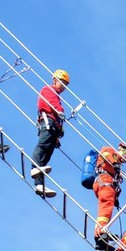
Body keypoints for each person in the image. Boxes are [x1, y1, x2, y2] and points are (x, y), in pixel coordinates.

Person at [30, 69, 70, 199]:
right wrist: (59, 110)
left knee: (46, 156)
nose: (63, 86)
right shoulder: (48, 90)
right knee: (42, 146)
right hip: (48, 121)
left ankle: (39, 184)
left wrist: (57, 136)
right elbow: (52, 102)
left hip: (54, 126)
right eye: (62, 82)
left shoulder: (57, 95)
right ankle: (34, 168)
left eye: (65, 84)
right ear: (55, 80)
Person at [92, 142, 126, 251]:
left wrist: (116, 198)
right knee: (105, 209)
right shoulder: (110, 151)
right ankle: (100, 234)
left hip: (107, 184)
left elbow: (116, 183)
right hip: (104, 181)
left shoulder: (117, 165)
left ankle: (101, 234)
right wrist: (114, 163)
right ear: (125, 150)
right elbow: (105, 154)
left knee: (106, 211)